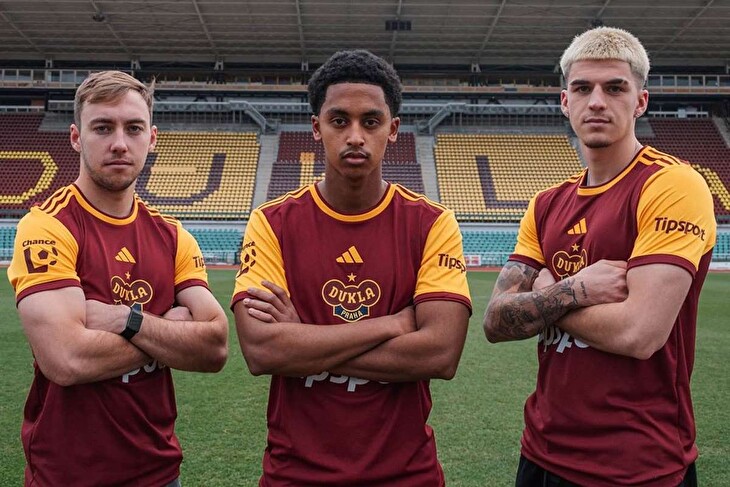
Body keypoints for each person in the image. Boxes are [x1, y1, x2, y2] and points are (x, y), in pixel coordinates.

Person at [483, 27, 715, 486]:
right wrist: (578, 290)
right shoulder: (546, 203)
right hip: (541, 452)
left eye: (614, 88)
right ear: (564, 101)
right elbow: (495, 321)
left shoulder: (672, 184)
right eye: (582, 88)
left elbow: (638, 334)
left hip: (638, 462)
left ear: (641, 101)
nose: (596, 102)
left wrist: (552, 294)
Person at [231, 49, 472, 486]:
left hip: (406, 475)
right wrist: (392, 325)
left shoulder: (432, 223)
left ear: (393, 130)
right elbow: (263, 352)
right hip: (295, 474)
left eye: (371, 121)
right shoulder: (271, 222)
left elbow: (440, 354)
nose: (355, 136)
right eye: (339, 120)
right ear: (316, 128)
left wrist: (304, 339)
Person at [7, 70, 229, 487]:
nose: (120, 143)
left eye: (134, 128)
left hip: (160, 473)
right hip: (66, 475)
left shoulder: (172, 236)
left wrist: (126, 320)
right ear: (76, 137)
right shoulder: (48, 226)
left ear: (152, 138)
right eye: (103, 128)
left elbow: (215, 347)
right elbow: (67, 360)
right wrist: (169, 332)